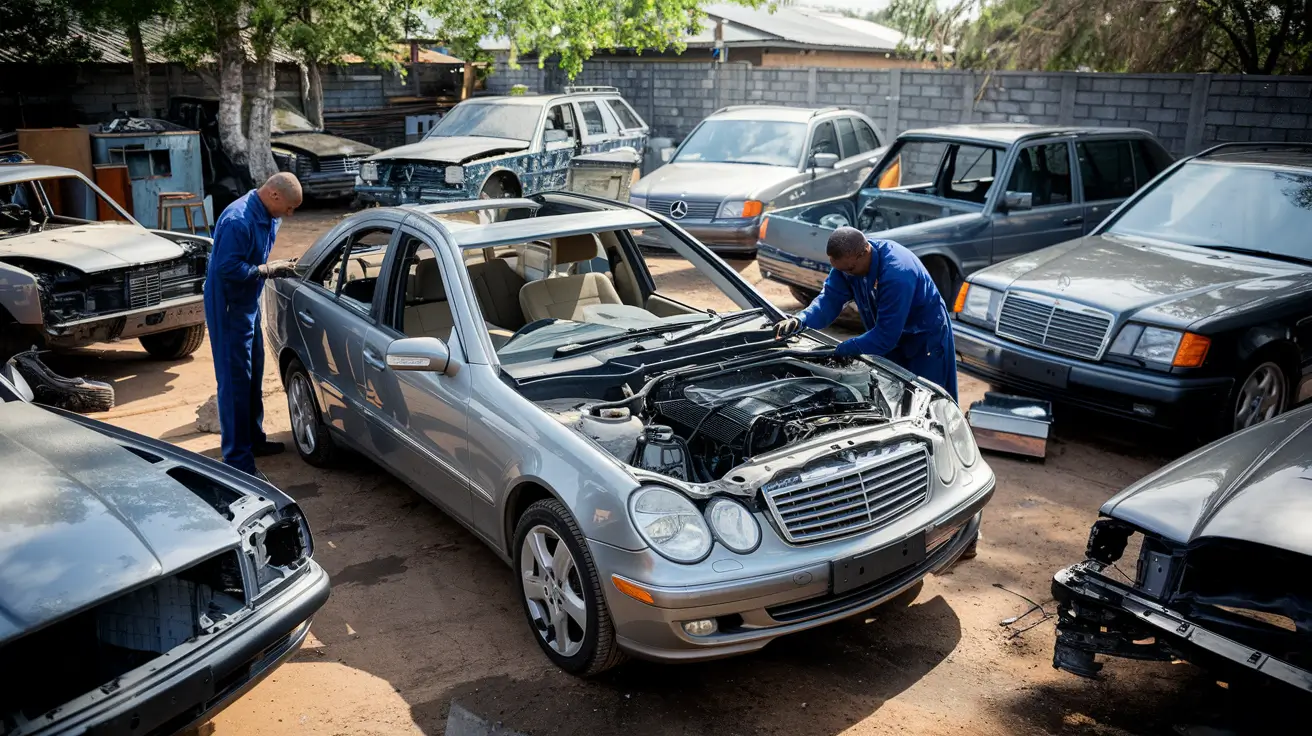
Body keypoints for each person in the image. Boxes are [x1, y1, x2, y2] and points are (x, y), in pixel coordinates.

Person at [776, 226, 958, 401]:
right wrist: (801, 319)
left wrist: (843, 349)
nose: (846, 275)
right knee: (893, 394)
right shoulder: (848, 264)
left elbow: (885, 337)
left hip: (925, 340)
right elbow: (829, 300)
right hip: (890, 338)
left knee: (929, 401)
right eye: (841, 270)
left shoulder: (897, 272)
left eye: (850, 270)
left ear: (865, 252)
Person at [204, 172, 302, 478]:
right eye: (289, 207)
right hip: (229, 306)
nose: (290, 214)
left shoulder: (269, 215)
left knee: (252, 373)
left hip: (249, 301)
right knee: (235, 382)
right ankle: (237, 461)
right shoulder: (238, 220)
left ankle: (253, 440)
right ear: (274, 195)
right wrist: (264, 269)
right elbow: (226, 267)